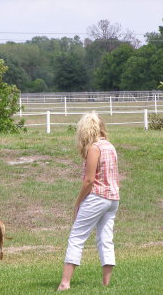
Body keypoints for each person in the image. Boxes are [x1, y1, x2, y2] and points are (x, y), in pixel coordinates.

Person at [58, 112, 120, 291]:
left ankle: (65, 282)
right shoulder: (110, 146)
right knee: (106, 238)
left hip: (97, 197)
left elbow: (89, 180)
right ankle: (106, 284)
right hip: (112, 198)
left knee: (77, 237)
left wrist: (78, 203)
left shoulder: (94, 148)